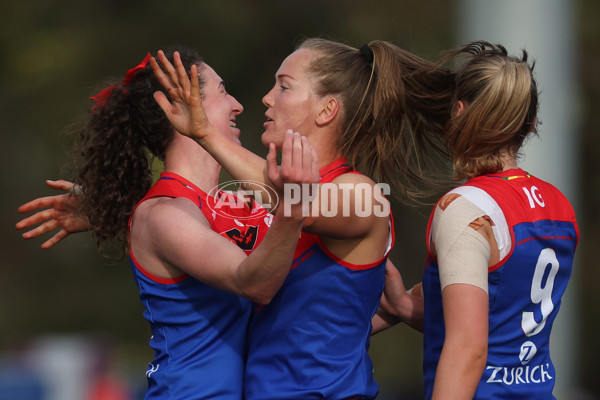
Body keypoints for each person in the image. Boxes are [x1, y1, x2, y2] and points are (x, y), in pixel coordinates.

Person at [150, 37, 453, 400]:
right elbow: (189, 217)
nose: (266, 98)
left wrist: (206, 135)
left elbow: (296, 203)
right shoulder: (278, 206)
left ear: (326, 110)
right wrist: (106, 206)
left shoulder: (363, 195)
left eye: (284, 86)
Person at [17, 46, 319, 400]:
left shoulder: (221, 205)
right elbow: (256, 283)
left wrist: (385, 302)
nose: (237, 104)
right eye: (222, 92)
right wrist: (295, 206)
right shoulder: (164, 214)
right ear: (179, 107)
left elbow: (308, 294)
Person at [375, 41, 579, 399]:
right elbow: (502, 322)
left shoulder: (465, 208)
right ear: (530, 124)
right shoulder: (559, 205)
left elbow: (469, 348)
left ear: (458, 111)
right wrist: (408, 308)